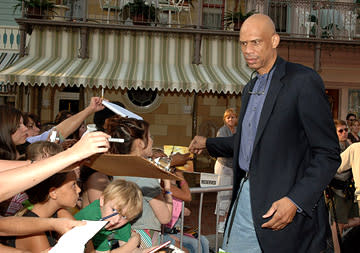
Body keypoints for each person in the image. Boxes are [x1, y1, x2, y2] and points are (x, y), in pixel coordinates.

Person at [189, 14, 340, 252]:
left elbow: (328, 153)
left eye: (256, 42)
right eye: (243, 43)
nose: (248, 50)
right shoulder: (250, 88)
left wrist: (295, 200)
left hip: (284, 207)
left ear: (275, 41)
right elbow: (248, 143)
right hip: (245, 198)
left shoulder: (302, 81)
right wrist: (208, 143)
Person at [105, 116, 173, 248]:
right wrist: (168, 188)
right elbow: (165, 217)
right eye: (150, 137)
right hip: (143, 239)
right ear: (139, 143)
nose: (152, 141)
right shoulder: (145, 176)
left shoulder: (114, 170)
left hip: (121, 236)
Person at [75, 179, 144, 252]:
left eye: (124, 217)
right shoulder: (91, 218)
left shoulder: (122, 223)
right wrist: (135, 240)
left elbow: (129, 248)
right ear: (102, 200)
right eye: (113, 210)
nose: (116, 220)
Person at [326, 119, 359, 253]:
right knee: (337, 226)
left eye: (346, 130)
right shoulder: (331, 148)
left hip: (349, 191)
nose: (344, 133)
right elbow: (333, 170)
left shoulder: (349, 145)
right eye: (341, 131)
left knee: (354, 219)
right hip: (337, 191)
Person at [214, 108, 237, 233]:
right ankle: (220, 223)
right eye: (228, 117)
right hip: (224, 166)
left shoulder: (238, 131)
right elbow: (223, 148)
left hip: (234, 167)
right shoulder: (222, 131)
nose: (231, 119)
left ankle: (227, 221)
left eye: (233, 117)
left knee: (231, 195)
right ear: (225, 119)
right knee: (223, 195)